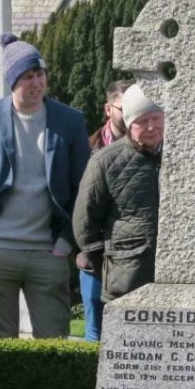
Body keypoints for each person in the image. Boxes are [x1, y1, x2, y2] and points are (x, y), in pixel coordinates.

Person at [0, 34, 91, 339]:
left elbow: (83, 189)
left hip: (49, 252)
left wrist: (66, 243)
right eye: (27, 76)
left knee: (53, 346)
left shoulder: (69, 120)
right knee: (1, 346)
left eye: (40, 74)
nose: (36, 83)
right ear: (12, 81)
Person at [73, 86, 164, 305]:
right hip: (127, 273)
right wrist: (107, 265)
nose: (151, 127)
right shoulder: (105, 161)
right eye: (142, 121)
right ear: (129, 123)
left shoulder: (186, 155)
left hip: (177, 275)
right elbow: (85, 221)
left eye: (156, 118)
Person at [77, 79, 132, 340]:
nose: (131, 113)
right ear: (108, 109)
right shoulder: (86, 149)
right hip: (95, 260)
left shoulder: (155, 149)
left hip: (134, 260)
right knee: (95, 336)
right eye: (124, 107)